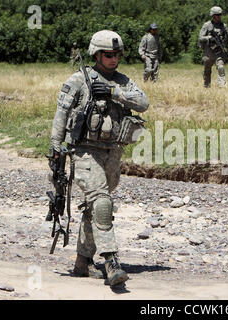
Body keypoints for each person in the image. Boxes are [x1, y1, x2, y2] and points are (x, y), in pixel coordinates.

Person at [49, 30, 149, 287]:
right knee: (102, 203)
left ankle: (82, 263)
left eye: (117, 54)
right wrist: (55, 146)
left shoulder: (122, 81)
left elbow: (143, 102)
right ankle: (111, 261)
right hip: (85, 152)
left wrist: (114, 92)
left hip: (113, 152)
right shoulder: (79, 80)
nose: (114, 59)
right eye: (108, 54)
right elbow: (61, 114)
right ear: (96, 54)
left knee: (94, 207)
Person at [198, 6, 228, 88]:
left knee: (221, 67)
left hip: (219, 51)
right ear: (213, 15)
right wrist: (208, 38)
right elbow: (200, 38)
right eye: (217, 15)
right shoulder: (207, 25)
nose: (219, 16)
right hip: (208, 52)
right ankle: (207, 86)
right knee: (207, 71)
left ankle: (222, 86)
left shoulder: (224, 26)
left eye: (220, 14)